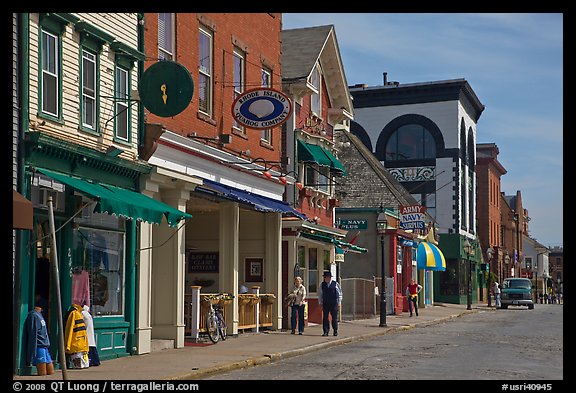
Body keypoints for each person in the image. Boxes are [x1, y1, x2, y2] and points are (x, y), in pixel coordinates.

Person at [25, 305, 54, 376]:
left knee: (42, 371)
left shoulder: (33, 315)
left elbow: (32, 333)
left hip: (39, 344)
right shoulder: (39, 316)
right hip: (44, 343)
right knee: (48, 364)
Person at [318, 270, 342, 336]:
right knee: (325, 318)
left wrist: (339, 302)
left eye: (327, 277)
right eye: (325, 277)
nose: (326, 279)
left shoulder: (335, 284)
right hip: (325, 303)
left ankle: (335, 331)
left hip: (334, 303)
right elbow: (320, 294)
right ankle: (326, 331)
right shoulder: (322, 285)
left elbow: (339, 294)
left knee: (334, 318)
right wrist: (320, 302)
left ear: (330, 278)